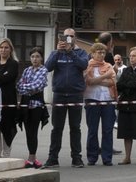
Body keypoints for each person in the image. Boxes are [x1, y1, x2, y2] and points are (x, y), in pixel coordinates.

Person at [45, 30, 88, 167]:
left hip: (75, 94)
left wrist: (71, 52)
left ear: (75, 38)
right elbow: (47, 67)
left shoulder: (81, 52)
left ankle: (76, 158)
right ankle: (53, 158)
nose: (68, 38)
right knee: (57, 128)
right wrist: (58, 51)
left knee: (75, 127)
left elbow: (83, 65)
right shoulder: (56, 53)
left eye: (71, 36)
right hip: (59, 95)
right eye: (66, 36)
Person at [17, 48, 49, 168]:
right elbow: (19, 86)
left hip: (36, 105)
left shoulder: (43, 70)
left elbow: (38, 85)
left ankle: (32, 157)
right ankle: (32, 157)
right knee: (27, 131)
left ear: (41, 58)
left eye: (37, 56)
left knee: (33, 131)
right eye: (33, 56)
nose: (35, 59)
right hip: (25, 103)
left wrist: (26, 87)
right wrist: (27, 88)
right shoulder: (27, 70)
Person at [84, 46, 117, 165]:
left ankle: (107, 158)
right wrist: (105, 77)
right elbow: (89, 81)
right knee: (92, 130)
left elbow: (112, 82)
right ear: (92, 54)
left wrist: (98, 80)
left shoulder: (108, 66)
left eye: (103, 53)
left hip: (108, 100)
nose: (102, 55)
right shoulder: (87, 66)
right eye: (99, 52)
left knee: (108, 130)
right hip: (92, 100)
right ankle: (92, 157)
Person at [0, 40, 22, 157]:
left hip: (8, 101)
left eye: (6, 48)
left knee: (7, 128)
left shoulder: (13, 64)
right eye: (1, 48)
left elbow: (8, 78)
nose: (3, 50)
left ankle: (6, 155)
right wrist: (0, 76)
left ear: (11, 50)